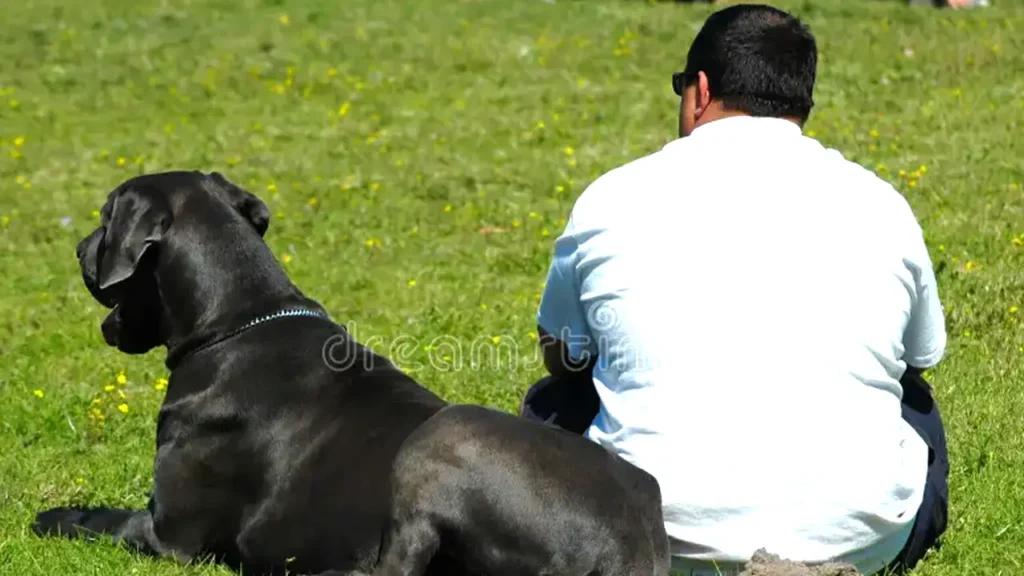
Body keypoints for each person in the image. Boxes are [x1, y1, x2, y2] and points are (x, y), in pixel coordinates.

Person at [520, 4, 949, 576]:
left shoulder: (611, 197)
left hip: (639, 543)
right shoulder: (882, 205)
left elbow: (561, 350)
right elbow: (922, 357)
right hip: (866, 544)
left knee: (551, 404)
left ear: (699, 91)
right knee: (915, 404)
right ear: (801, 104)